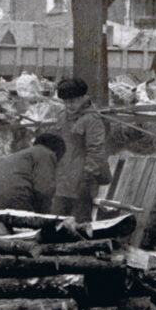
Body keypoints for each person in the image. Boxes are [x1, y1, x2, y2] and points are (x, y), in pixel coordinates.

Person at [53, 78, 110, 223]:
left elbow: (96, 151)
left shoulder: (92, 120)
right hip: (61, 182)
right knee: (55, 223)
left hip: (81, 183)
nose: (69, 105)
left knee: (80, 225)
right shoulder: (62, 117)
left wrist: (87, 177)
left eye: (73, 101)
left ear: (82, 98)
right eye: (66, 102)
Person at [0, 133, 65, 213]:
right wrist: (47, 218)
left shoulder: (21, 155)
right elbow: (44, 191)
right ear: (57, 151)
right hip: (14, 204)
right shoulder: (46, 154)